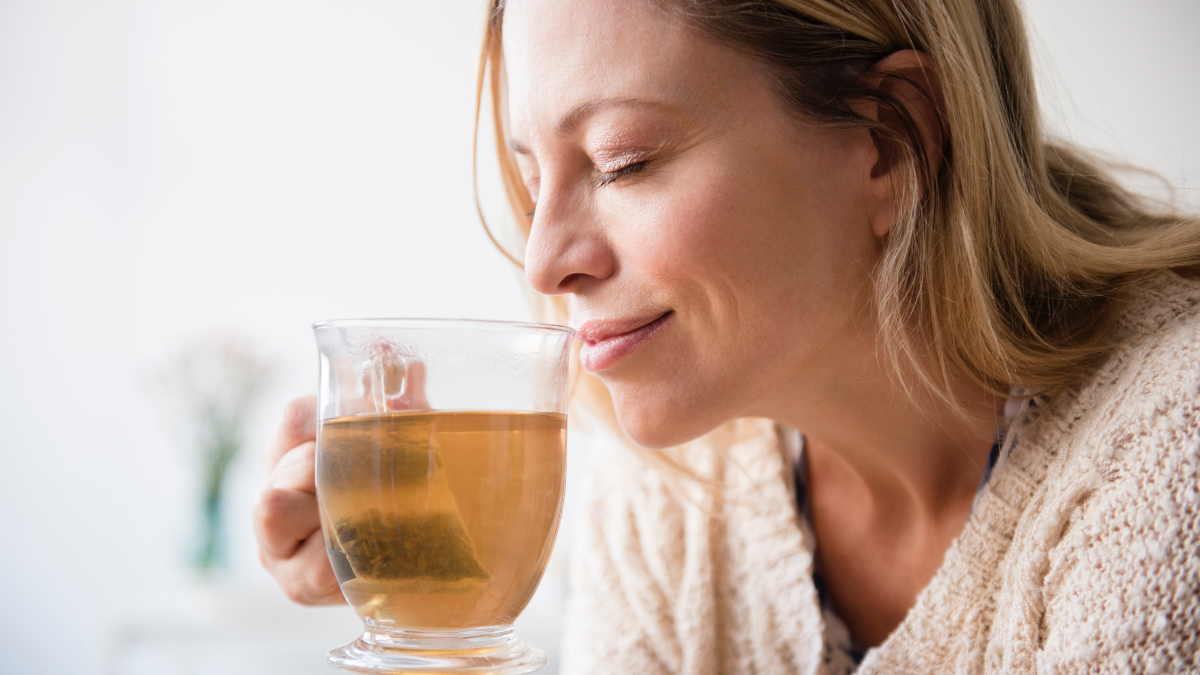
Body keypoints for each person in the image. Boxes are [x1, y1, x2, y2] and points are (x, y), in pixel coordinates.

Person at [253, 0, 1200, 672]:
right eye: (535, 176)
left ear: (892, 139)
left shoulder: (1169, 458)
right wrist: (435, 641)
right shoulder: (667, 493)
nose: (544, 262)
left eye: (624, 161)